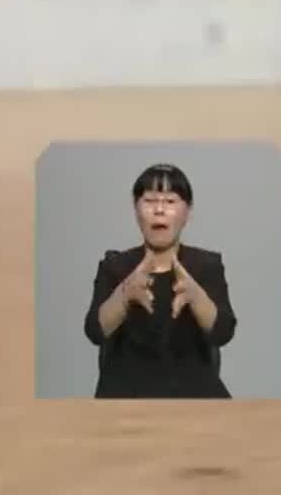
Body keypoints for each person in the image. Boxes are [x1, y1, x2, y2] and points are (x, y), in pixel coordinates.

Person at [83, 164, 237, 398]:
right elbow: (95, 331)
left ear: (188, 212)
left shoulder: (206, 265)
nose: (159, 210)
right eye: (150, 200)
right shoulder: (115, 266)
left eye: (170, 201)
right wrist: (124, 296)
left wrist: (196, 296)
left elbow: (224, 332)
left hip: (194, 392)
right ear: (136, 209)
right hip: (127, 393)